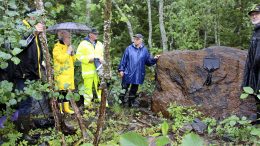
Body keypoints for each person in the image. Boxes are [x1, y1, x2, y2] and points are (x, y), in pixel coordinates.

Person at [118, 34, 160, 107]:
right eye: (135, 39)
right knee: (124, 88)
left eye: (137, 39)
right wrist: (121, 70)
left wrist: (154, 59)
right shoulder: (129, 48)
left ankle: (131, 103)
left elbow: (148, 61)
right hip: (128, 72)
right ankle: (120, 103)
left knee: (134, 89)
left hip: (138, 73)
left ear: (141, 40)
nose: (135, 40)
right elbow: (123, 60)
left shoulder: (145, 50)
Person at [76, 29, 104, 107]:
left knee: (100, 87)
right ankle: (87, 106)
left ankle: (103, 105)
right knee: (88, 89)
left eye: (97, 34)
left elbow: (103, 54)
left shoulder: (100, 44)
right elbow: (78, 55)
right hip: (88, 70)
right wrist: (88, 59)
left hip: (98, 70)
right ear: (90, 34)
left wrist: (102, 59)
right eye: (95, 34)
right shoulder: (83, 44)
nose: (96, 35)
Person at [242, 4, 260, 124]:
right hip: (256, 70)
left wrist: (253, 67)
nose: (253, 16)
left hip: (258, 69)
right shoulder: (256, 31)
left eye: (256, 14)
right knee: (257, 93)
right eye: (252, 15)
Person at [53, 30, 75, 114]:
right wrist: (68, 52)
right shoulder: (57, 47)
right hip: (61, 74)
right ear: (63, 38)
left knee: (66, 91)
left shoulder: (67, 46)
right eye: (68, 37)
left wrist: (72, 54)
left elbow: (73, 60)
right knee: (60, 91)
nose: (69, 39)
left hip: (68, 74)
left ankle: (66, 108)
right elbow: (61, 59)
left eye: (69, 37)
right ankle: (60, 109)